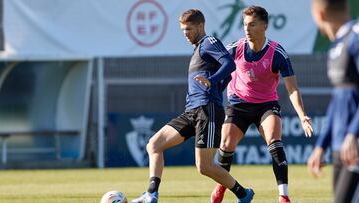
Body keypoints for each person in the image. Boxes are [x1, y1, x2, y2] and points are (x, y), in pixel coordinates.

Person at [131, 9, 254, 203]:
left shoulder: (209, 42)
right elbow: (228, 75)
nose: (185, 34)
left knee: (204, 166)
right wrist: (215, 82)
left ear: (200, 26)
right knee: (154, 145)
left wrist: (212, 81)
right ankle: (151, 194)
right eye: (182, 30)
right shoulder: (198, 49)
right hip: (191, 111)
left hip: (208, 109)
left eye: (188, 29)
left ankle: (243, 194)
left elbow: (229, 64)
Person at [210, 5, 314, 203]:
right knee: (225, 144)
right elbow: (216, 68)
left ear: (265, 26)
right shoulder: (235, 48)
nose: (247, 29)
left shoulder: (277, 53)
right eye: (244, 25)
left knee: (275, 142)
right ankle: (221, 184)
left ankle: (283, 195)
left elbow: (292, 89)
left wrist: (302, 116)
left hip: (266, 105)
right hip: (238, 104)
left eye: (252, 25)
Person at [307, 0, 359, 202]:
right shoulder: (337, 44)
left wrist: (353, 133)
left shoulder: (355, 37)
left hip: (353, 145)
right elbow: (338, 101)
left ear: (319, 16)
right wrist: (321, 146)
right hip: (341, 146)